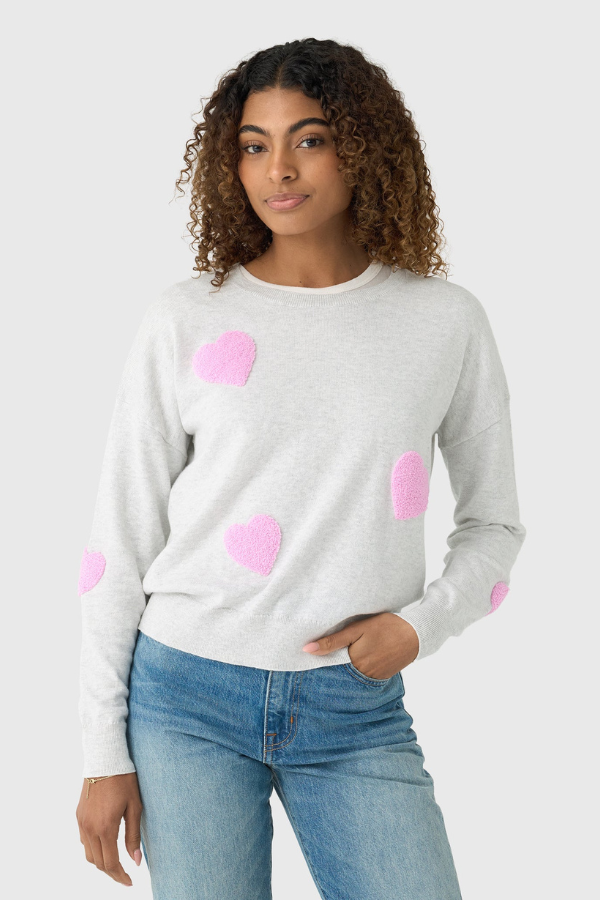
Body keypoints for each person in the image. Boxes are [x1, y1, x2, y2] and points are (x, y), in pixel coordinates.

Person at [75, 37, 526, 900]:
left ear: (365, 148)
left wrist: (420, 627)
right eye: (255, 145)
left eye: (309, 139)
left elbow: (495, 525)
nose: (278, 169)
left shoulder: (444, 322)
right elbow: (116, 543)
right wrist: (103, 753)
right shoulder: (186, 320)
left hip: (353, 710)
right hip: (184, 699)